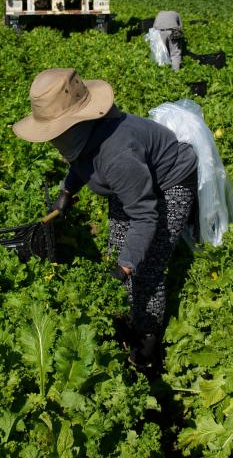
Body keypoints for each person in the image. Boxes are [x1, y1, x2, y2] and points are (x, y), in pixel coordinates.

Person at [12, 68, 198, 369]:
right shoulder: (87, 137)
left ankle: (147, 349)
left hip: (170, 183)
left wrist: (125, 267)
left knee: (147, 266)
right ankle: (125, 316)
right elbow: (84, 161)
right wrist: (68, 190)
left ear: (75, 123)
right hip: (133, 182)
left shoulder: (116, 155)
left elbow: (146, 216)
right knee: (120, 249)